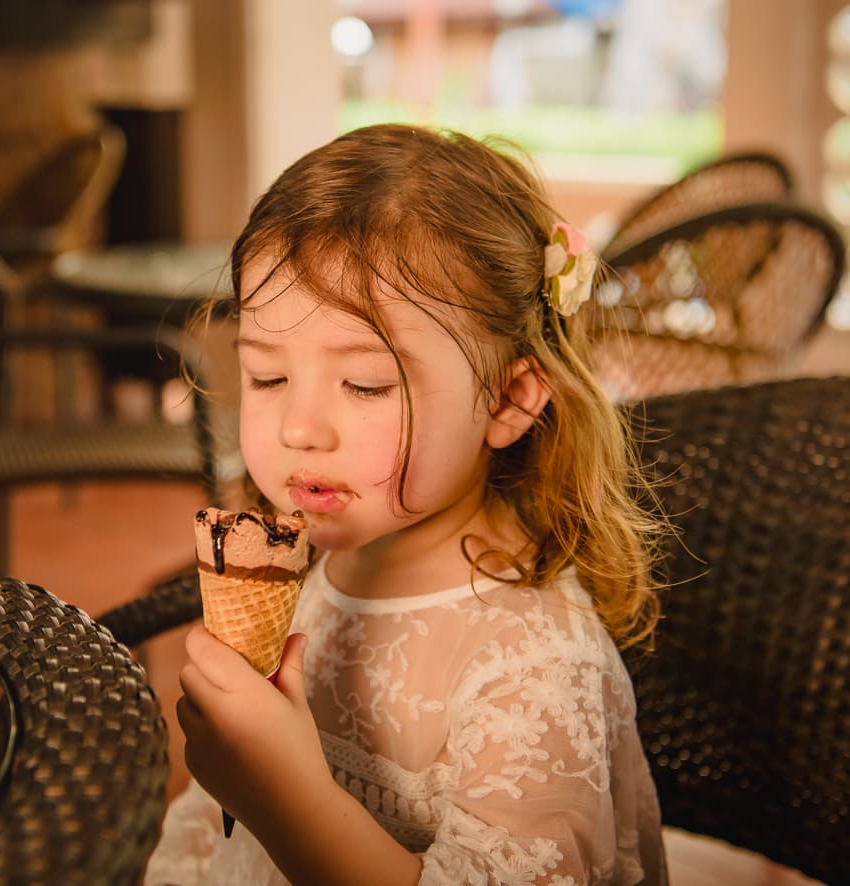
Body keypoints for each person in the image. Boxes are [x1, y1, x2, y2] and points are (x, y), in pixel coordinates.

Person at [144, 123, 668, 885]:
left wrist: (282, 794)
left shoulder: (534, 667)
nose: (298, 428)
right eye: (265, 377)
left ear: (509, 399)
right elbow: (213, 836)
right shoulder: (312, 565)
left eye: (366, 385)